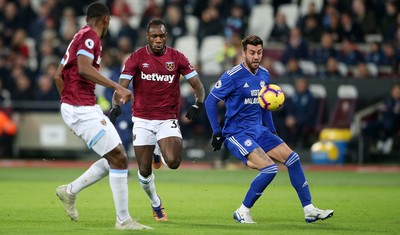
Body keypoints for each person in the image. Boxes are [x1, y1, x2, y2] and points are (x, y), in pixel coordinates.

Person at [204, 35, 334, 224]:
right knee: (270, 169)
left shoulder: (264, 74)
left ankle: (309, 209)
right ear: (243, 53)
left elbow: (265, 106)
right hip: (236, 133)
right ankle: (242, 211)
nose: (256, 57)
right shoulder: (232, 76)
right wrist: (216, 131)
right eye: (252, 53)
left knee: (293, 159)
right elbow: (210, 101)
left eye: (259, 52)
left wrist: (271, 131)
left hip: (259, 130)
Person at [52, 3, 151, 230]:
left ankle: (70, 191)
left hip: (80, 106)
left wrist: (67, 104)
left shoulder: (79, 35)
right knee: (119, 157)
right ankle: (123, 220)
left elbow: (59, 76)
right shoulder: (91, 37)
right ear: (106, 20)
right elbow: (85, 69)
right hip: (81, 107)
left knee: (114, 157)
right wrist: (118, 87)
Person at [109, 19, 205, 222]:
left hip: (167, 118)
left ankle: (157, 151)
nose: (159, 40)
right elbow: (121, 87)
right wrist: (116, 107)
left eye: (162, 36)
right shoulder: (136, 58)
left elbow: (198, 85)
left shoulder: (177, 57)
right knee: (143, 172)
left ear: (166, 36)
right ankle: (156, 203)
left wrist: (198, 103)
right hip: (142, 120)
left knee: (173, 162)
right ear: (148, 37)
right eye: (154, 36)